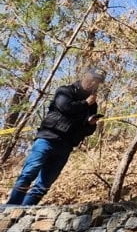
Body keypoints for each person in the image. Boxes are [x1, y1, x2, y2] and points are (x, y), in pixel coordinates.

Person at [6, 68, 105, 205]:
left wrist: (90, 123)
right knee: (29, 173)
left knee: (44, 183)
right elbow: (65, 107)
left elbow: (88, 131)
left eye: (97, 81)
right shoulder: (65, 90)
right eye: (91, 78)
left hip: (66, 145)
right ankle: (11, 208)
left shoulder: (92, 105)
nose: (93, 82)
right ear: (84, 76)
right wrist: (86, 103)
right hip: (48, 138)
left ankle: (23, 213)